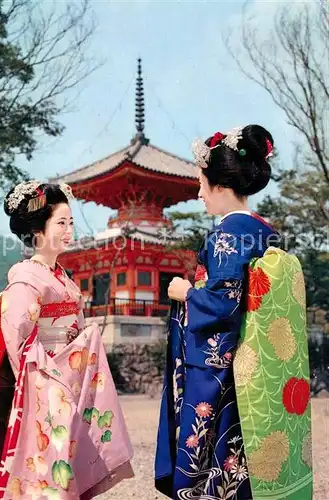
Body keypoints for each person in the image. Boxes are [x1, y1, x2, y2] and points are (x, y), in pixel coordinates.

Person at [155, 125, 312, 499]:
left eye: (200, 184)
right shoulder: (264, 230)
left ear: (220, 185)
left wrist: (186, 292)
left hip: (224, 364)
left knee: (214, 458)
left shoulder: (227, 234)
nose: (198, 193)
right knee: (248, 455)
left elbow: (224, 302)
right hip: (260, 363)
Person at [0, 181, 133, 500]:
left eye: (71, 222)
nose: (69, 230)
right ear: (37, 230)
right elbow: (19, 343)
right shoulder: (25, 279)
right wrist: (50, 381)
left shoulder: (61, 276)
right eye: (61, 223)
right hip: (45, 385)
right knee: (45, 475)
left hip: (67, 378)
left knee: (63, 469)